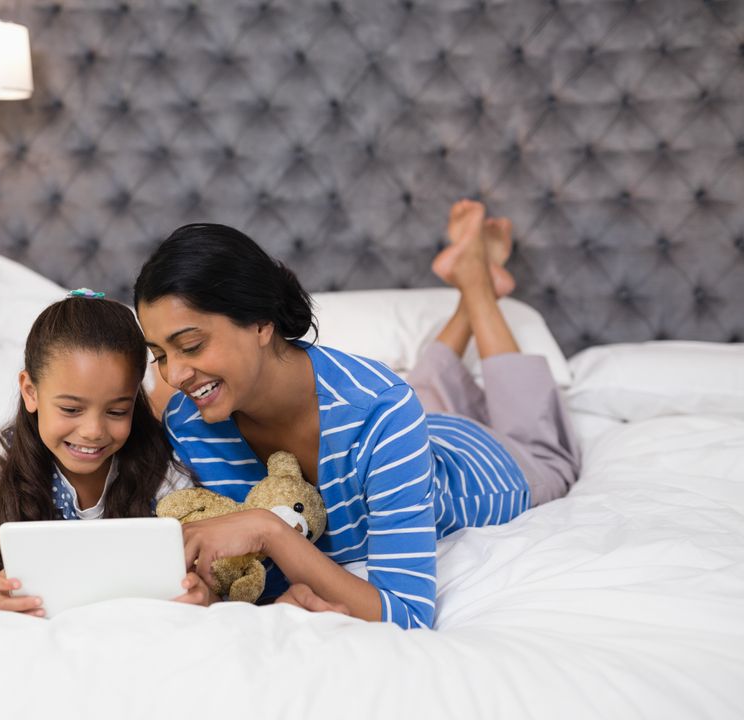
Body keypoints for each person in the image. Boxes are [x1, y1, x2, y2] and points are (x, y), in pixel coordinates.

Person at [133, 201, 581, 626]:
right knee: (418, 394)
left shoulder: (380, 409)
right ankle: (467, 296)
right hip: (404, 427)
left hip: (481, 462)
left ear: (261, 323)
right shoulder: (190, 425)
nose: (175, 374)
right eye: (160, 355)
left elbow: (406, 614)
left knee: (547, 448)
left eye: (190, 346)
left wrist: (269, 531)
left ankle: (478, 288)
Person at [0, 291, 207, 615]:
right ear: (30, 391)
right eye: (70, 408)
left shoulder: (159, 467)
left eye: (117, 411)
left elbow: (198, 577)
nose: (93, 431)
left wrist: (199, 591)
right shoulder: (7, 460)